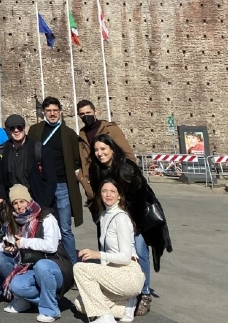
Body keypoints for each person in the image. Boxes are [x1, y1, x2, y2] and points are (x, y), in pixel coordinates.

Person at [89, 134, 172, 317]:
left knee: (140, 251)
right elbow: (97, 196)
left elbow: (140, 198)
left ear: (112, 149)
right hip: (111, 217)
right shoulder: (96, 170)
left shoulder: (127, 168)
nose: (99, 153)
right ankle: (116, 289)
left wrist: (133, 224)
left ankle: (144, 292)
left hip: (135, 217)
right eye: (96, 150)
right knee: (111, 251)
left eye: (103, 149)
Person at [0, 185, 72, 322]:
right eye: (15, 203)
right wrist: (7, 246)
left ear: (29, 200)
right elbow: (5, 244)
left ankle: (51, 310)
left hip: (55, 265)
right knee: (15, 284)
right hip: (30, 266)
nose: (19, 206)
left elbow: (51, 246)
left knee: (42, 265)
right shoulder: (14, 221)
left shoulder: (46, 218)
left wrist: (24, 242)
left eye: (22, 201)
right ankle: (32, 300)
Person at [73, 178, 145, 323]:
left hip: (128, 273)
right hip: (114, 274)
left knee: (80, 268)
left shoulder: (121, 218)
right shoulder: (104, 215)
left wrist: (97, 254)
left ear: (119, 195)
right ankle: (126, 306)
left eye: (113, 191)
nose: (108, 195)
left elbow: (125, 257)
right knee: (81, 303)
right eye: (104, 191)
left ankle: (104, 317)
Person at [28, 96, 85, 261]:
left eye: (55, 110)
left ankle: (73, 267)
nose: (52, 114)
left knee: (65, 228)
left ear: (60, 112)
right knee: (40, 224)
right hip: (41, 185)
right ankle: (41, 261)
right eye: (49, 111)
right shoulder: (35, 130)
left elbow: (75, 159)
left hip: (62, 184)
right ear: (43, 112)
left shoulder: (69, 133)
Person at [0, 114, 56, 210]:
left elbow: (50, 180)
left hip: (36, 202)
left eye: (19, 127)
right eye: (12, 128)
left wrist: (43, 205)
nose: (16, 130)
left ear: (24, 128)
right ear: (8, 131)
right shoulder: (2, 150)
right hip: (12, 204)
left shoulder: (40, 149)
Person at [77, 100, 136, 203]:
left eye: (88, 113)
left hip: (115, 187)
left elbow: (128, 156)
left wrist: (123, 181)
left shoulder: (111, 130)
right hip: (94, 190)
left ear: (96, 112)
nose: (85, 116)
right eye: (82, 114)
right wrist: (85, 183)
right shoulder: (81, 135)